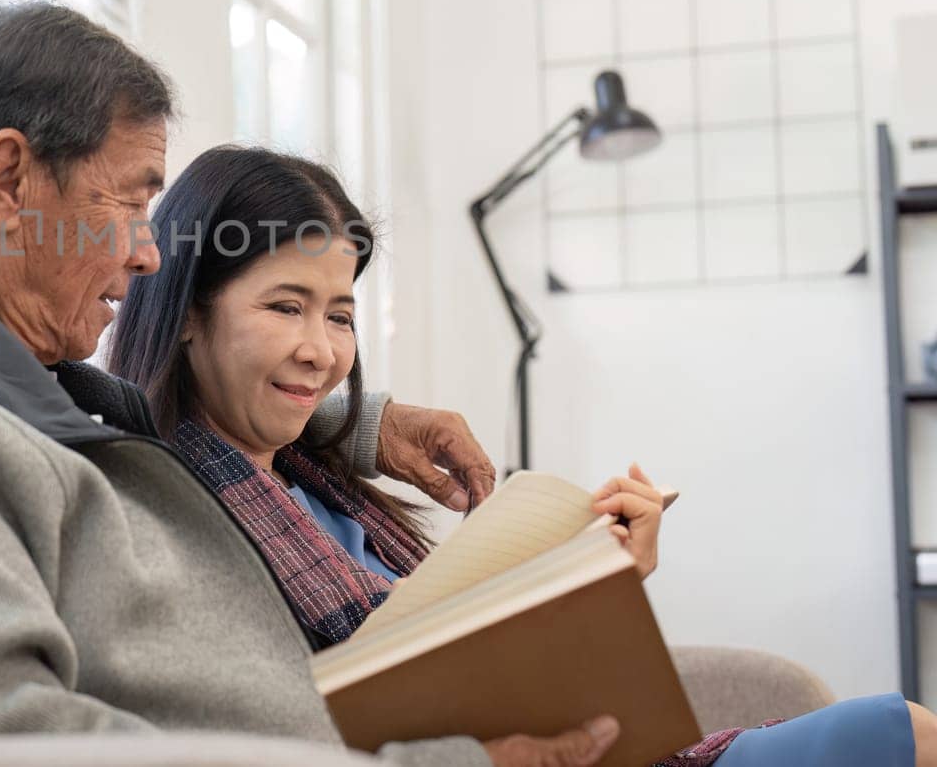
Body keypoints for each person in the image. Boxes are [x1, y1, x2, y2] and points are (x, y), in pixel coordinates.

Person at [0, 0, 623, 767]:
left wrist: (361, 423)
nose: (148, 254)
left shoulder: (3, 366)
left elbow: (167, 416)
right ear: (8, 180)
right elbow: (14, 734)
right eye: (129, 204)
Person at [106, 143, 937, 767]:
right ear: (185, 309)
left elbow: (473, 654)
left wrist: (591, 582)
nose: (322, 351)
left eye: (340, 315)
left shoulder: (319, 473)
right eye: (286, 306)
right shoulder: (169, 512)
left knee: (904, 729)